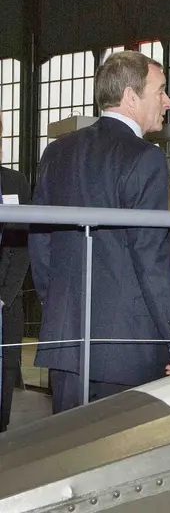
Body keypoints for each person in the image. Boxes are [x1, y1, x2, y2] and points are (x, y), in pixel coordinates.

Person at [29, 50, 170, 414]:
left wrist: (55, 304)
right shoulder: (145, 156)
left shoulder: (57, 151)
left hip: (66, 340)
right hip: (127, 348)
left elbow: (40, 242)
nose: (167, 101)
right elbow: (150, 254)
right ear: (131, 97)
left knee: (68, 451)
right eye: (161, 90)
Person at [0, 115, 31, 431]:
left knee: (7, 365)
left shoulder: (15, 182)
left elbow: (22, 242)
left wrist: (3, 296)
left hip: (7, 299)